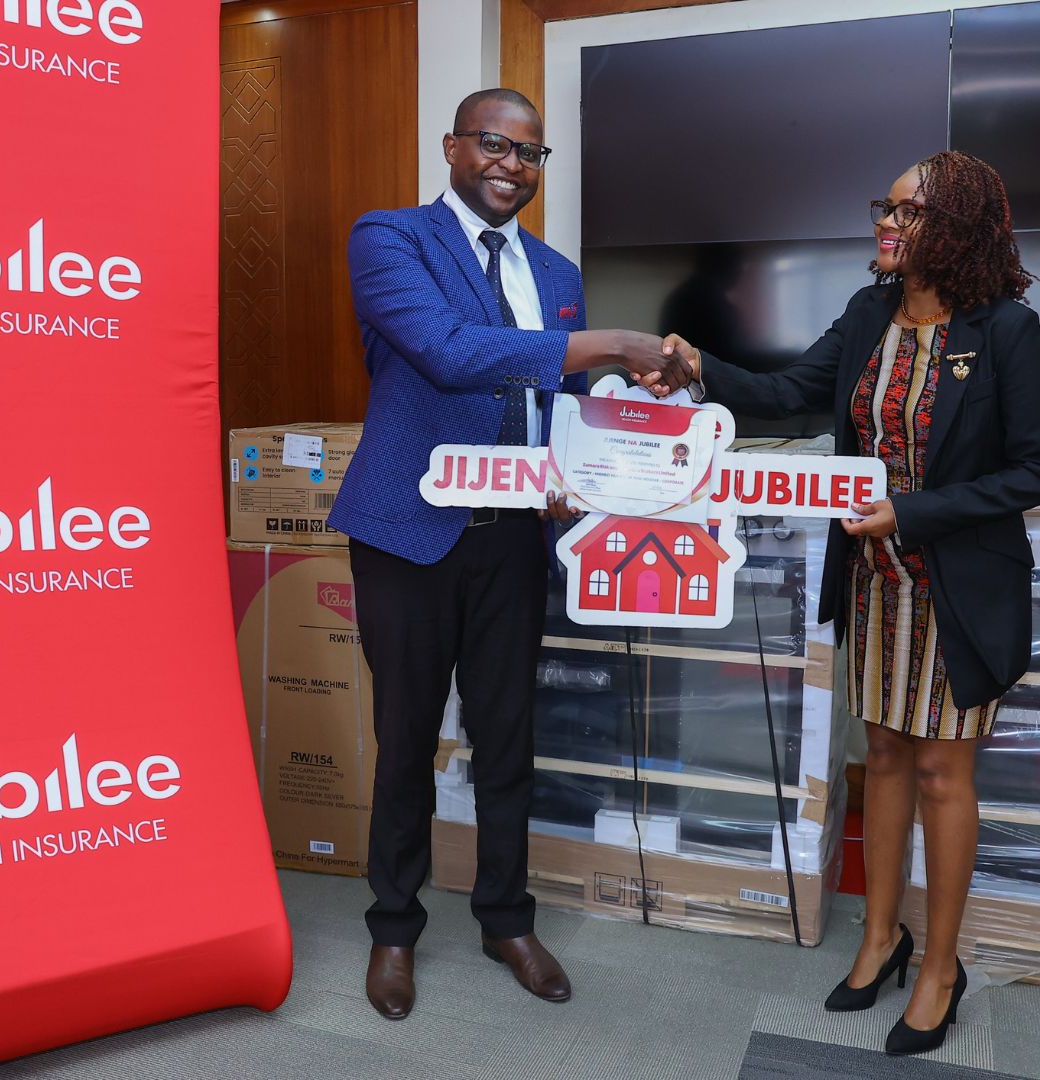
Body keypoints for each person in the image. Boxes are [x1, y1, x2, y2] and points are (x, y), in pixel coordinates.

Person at [660, 150, 1040, 1056]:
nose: (886, 222)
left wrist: (912, 511)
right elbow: (791, 390)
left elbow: (1032, 470)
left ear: (954, 229)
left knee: (944, 774)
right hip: (875, 586)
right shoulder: (871, 311)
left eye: (907, 211)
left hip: (957, 590)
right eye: (886, 206)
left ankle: (939, 968)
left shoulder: (1009, 330)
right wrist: (698, 365)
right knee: (886, 758)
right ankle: (881, 937)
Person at [328, 87, 689, 1021]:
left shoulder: (555, 270)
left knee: (506, 739)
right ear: (453, 146)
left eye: (529, 153)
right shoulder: (391, 238)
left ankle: (505, 919)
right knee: (406, 739)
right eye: (493, 144)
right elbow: (449, 351)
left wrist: (613, 424)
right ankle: (394, 928)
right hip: (409, 531)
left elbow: (555, 398)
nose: (511, 165)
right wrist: (613, 341)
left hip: (514, 539)